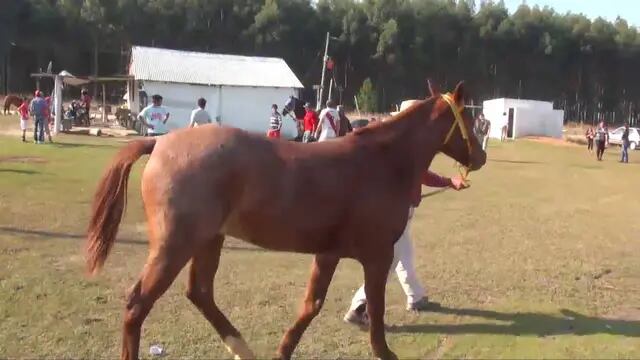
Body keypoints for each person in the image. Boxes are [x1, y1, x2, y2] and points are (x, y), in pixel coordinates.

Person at [343, 170, 468, 325]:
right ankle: (358, 308)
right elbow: (422, 174)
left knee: (404, 256)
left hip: (397, 211)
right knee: (388, 264)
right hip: (395, 214)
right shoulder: (401, 150)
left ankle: (416, 297)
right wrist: (449, 181)